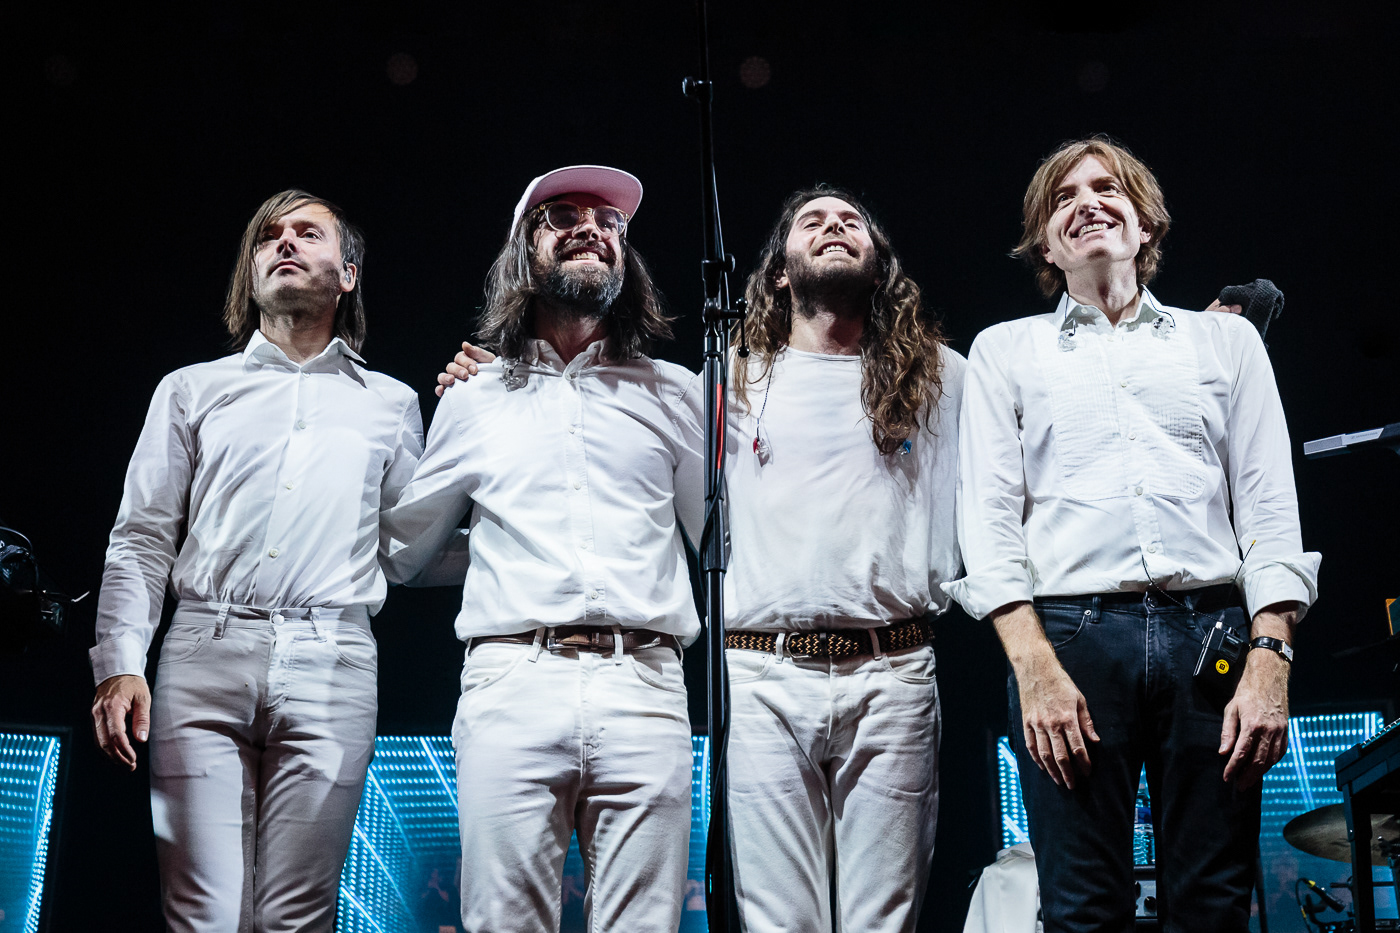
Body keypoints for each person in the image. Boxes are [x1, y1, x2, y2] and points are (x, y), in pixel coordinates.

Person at [442, 186, 960, 932]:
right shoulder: (724, 381)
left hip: (895, 667)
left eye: (852, 220)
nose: (835, 226)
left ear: (881, 263)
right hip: (761, 673)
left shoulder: (943, 375)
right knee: (777, 922)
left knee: (886, 919)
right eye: (813, 220)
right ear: (777, 271)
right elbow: (649, 509)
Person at [945, 137, 1320, 932]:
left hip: (1212, 633)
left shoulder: (1226, 342)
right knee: (1083, 910)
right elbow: (988, 526)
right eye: (1064, 197)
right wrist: (1034, 670)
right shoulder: (1004, 351)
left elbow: (1269, 510)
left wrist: (1270, 658)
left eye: (1107, 187)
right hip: (1070, 639)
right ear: (1046, 246)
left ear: (1145, 223)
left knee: (1215, 907)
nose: (1087, 201)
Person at [90, 189, 456, 931]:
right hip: (204, 652)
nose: (284, 242)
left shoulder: (390, 403)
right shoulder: (191, 389)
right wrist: (120, 662)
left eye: (308, 233)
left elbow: (409, 549)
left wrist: (501, 457)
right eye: (268, 236)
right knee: (204, 914)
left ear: (347, 273)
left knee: (299, 916)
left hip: (334, 658)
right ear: (251, 270)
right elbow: (142, 537)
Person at [380, 165, 704, 933]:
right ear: (524, 249)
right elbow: (406, 551)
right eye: (563, 215)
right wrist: (503, 548)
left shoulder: (675, 391)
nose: (590, 226)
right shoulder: (474, 397)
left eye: (609, 220)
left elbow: (721, 543)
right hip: (512, 679)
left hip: (645, 681)